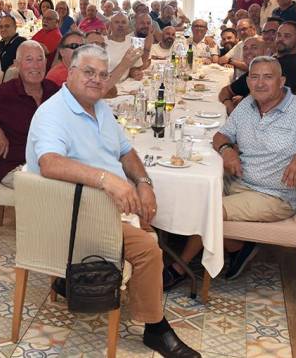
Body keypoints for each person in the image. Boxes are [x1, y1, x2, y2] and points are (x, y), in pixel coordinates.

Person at [26, 44, 201, 358]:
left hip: (99, 206)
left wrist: (143, 183)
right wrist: (108, 180)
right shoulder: (53, 114)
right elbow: (50, 162)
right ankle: (155, 328)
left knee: (148, 214)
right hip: (72, 214)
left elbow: (126, 151)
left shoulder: (99, 107)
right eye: (89, 72)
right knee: (149, 249)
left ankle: (88, 280)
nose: (96, 80)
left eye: (103, 75)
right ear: (70, 72)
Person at [165, 56, 296, 286]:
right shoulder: (247, 105)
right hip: (238, 182)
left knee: (209, 209)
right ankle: (237, 245)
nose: (260, 83)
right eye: (254, 77)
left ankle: (180, 267)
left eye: (268, 77)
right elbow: (221, 135)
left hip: (274, 196)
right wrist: (226, 150)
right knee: (190, 187)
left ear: (282, 80)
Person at [0, 41, 59, 187]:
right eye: (29, 60)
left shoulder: (52, 90)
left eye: (40, 59)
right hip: (16, 168)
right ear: (17, 64)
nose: (35, 65)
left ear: (46, 63)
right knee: (64, 188)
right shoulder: (6, 93)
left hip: (49, 162)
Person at [217, 36, 265, 114]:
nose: (248, 52)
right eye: (245, 48)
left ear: (266, 51)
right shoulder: (252, 73)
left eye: (254, 47)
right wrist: (230, 107)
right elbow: (224, 91)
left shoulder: (271, 75)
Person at [105, 12, 148, 82]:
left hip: (125, 85)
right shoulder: (101, 42)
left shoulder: (133, 42)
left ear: (128, 26)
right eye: (117, 22)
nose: (120, 25)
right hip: (106, 86)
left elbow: (134, 67)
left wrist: (134, 73)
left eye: (123, 22)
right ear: (110, 25)